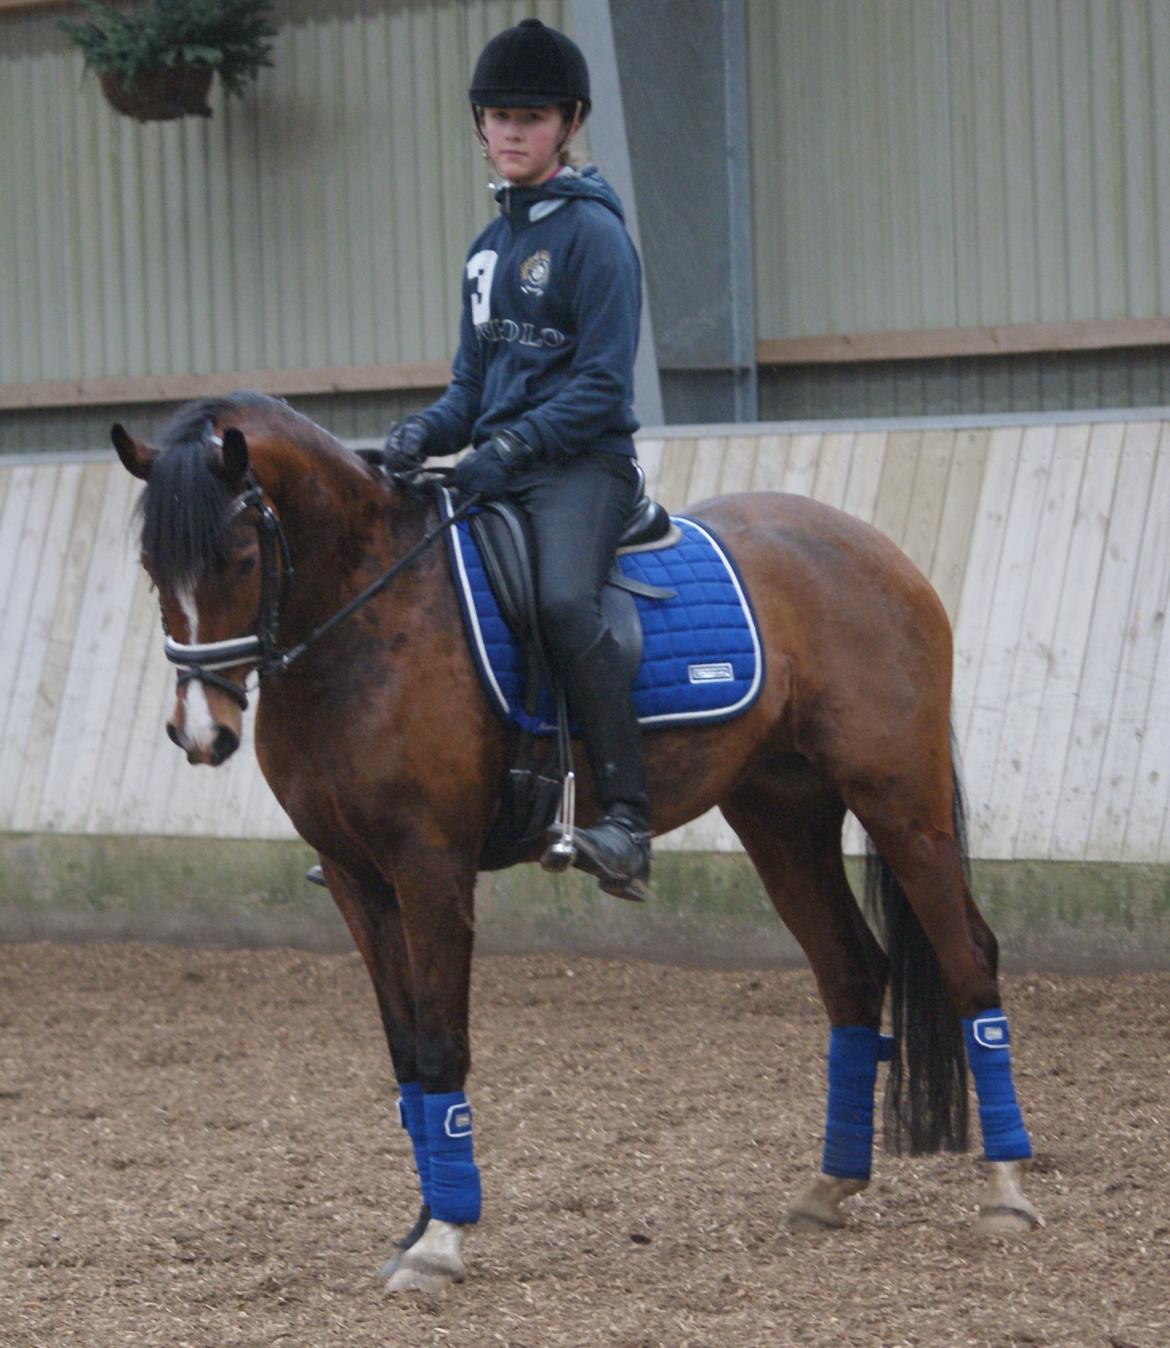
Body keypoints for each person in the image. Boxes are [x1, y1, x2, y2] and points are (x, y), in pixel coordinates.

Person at [384, 16, 651, 898]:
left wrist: (507, 447)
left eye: (530, 117)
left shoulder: (594, 236)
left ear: (568, 123)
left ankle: (626, 818)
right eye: (497, 116)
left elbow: (602, 387)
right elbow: (471, 386)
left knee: (565, 599)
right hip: (501, 461)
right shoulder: (486, 249)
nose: (511, 131)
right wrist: (424, 433)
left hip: (581, 466)